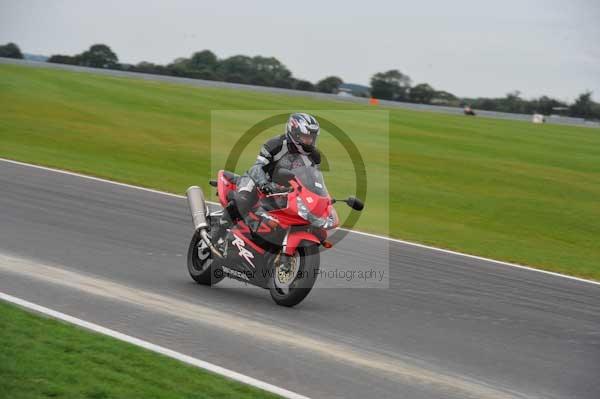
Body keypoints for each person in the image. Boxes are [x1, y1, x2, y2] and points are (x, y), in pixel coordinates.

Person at [216, 113, 322, 271]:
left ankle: (269, 250)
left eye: (312, 137)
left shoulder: (314, 157)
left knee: (296, 218)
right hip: (257, 180)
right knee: (244, 199)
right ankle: (218, 235)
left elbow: (313, 179)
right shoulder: (275, 144)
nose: (309, 141)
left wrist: (319, 196)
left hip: (284, 190)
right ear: (294, 133)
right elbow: (257, 166)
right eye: (306, 137)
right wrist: (264, 183)